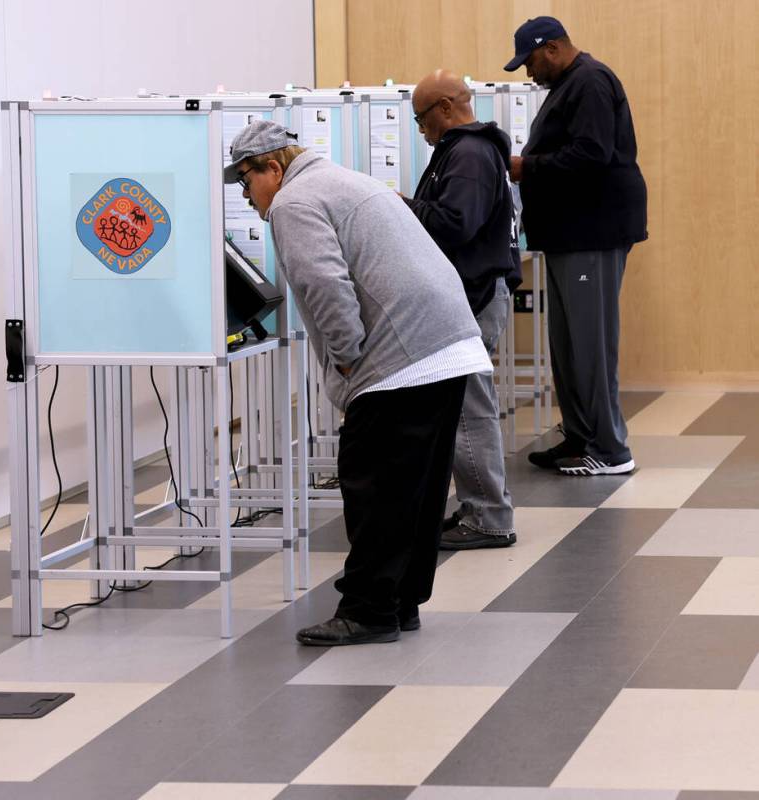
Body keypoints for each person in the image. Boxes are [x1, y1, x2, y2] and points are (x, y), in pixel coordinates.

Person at [224, 120, 491, 646]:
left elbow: (323, 283)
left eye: (245, 180)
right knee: (417, 487)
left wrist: (346, 359)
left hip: (403, 355)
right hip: (446, 341)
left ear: (273, 168)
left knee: (373, 486)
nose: (246, 195)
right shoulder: (348, 181)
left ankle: (369, 609)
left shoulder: (294, 202)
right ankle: (401, 601)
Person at [505, 17, 647, 476]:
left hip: (593, 233)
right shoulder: (570, 85)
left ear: (550, 48)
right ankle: (581, 438)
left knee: (591, 342)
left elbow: (592, 153)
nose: (529, 73)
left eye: (529, 61)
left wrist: (528, 167)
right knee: (566, 345)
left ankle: (611, 450)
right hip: (570, 235)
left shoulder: (589, 82)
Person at [402, 69, 520, 550]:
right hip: (472, 294)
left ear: (446, 108)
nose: (422, 130)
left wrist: (401, 208)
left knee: (471, 409)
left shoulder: (468, 155)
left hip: (474, 297)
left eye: (421, 118)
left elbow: (456, 225)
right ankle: (478, 507)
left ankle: (490, 516)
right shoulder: (470, 151)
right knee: (467, 406)